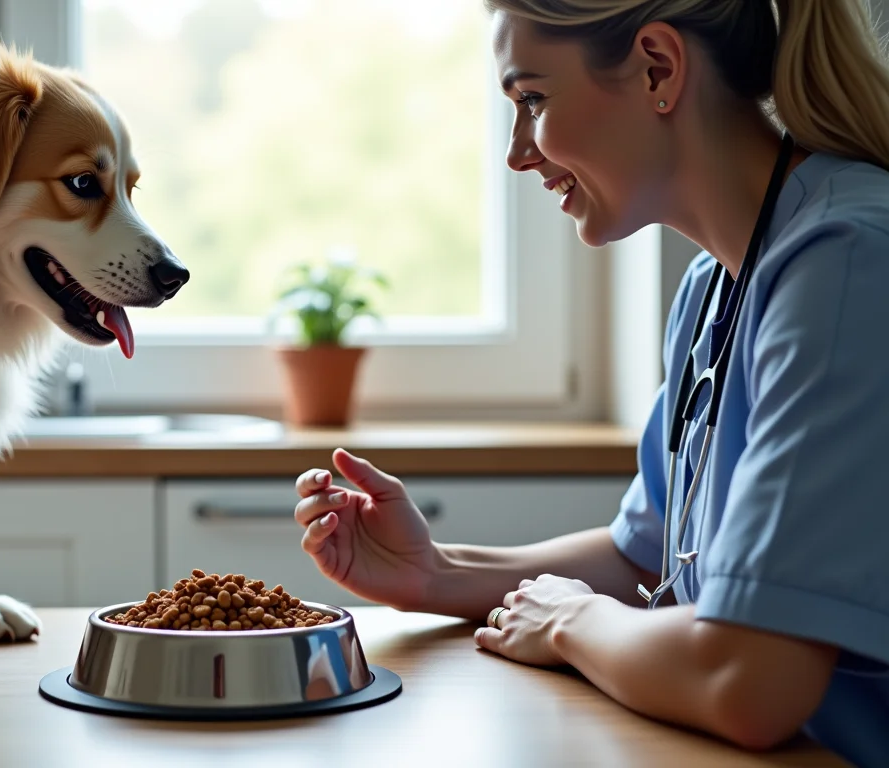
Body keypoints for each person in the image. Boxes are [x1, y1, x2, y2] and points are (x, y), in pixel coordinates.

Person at [292, 1, 889, 765]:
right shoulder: (715, 287)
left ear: (658, 69)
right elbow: (645, 556)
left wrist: (573, 622)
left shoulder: (847, 263)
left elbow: (751, 678)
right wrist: (437, 571)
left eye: (532, 100)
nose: (517, 152)